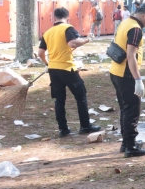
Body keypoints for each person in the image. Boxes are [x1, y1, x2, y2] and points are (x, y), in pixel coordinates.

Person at [38, 7, 100, 138]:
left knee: (59, 100)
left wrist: (48, 63)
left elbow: (40, 53)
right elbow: (72, 43)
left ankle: (63, 129)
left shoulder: (48, 32)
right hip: (66, 68)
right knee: (81, 96)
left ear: (54, 17)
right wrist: (87, 39)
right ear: (67, 17)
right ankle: (85, 125)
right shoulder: (67, 28)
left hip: (53, 70)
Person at [109, 3, 145, 157]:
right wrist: (138, 79)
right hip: (126, 74)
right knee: (132, 110)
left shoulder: (126, 23)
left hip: (116, 71)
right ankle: (131, 147)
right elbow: (131, 56)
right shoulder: (136, 29)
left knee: (125, 108)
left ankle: (126, 143)